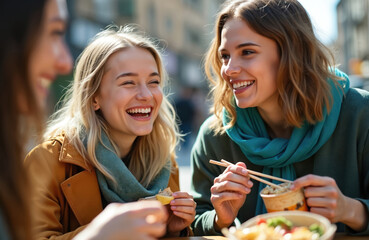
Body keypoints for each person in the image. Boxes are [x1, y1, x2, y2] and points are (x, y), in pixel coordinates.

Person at [190, 0, 369, 236]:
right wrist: (220, 218)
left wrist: (352, 210)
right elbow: (193, 220)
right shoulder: (216, 133)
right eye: (225, 56)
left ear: (292, 52)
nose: (229, 69)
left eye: (247, 52)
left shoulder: (359, 113)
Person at [24, 26, 196, 239]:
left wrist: (174, 229)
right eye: (128, 83)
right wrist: (105, 233)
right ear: (94, 97)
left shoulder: (164, 163)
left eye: (154, 82)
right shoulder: (46, 162)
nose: (146, 95)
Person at [0, 0, 72, 239]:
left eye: (154, 81)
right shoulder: (47, 157)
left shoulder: (163, 157)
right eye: (55, 32)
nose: (65, 62)